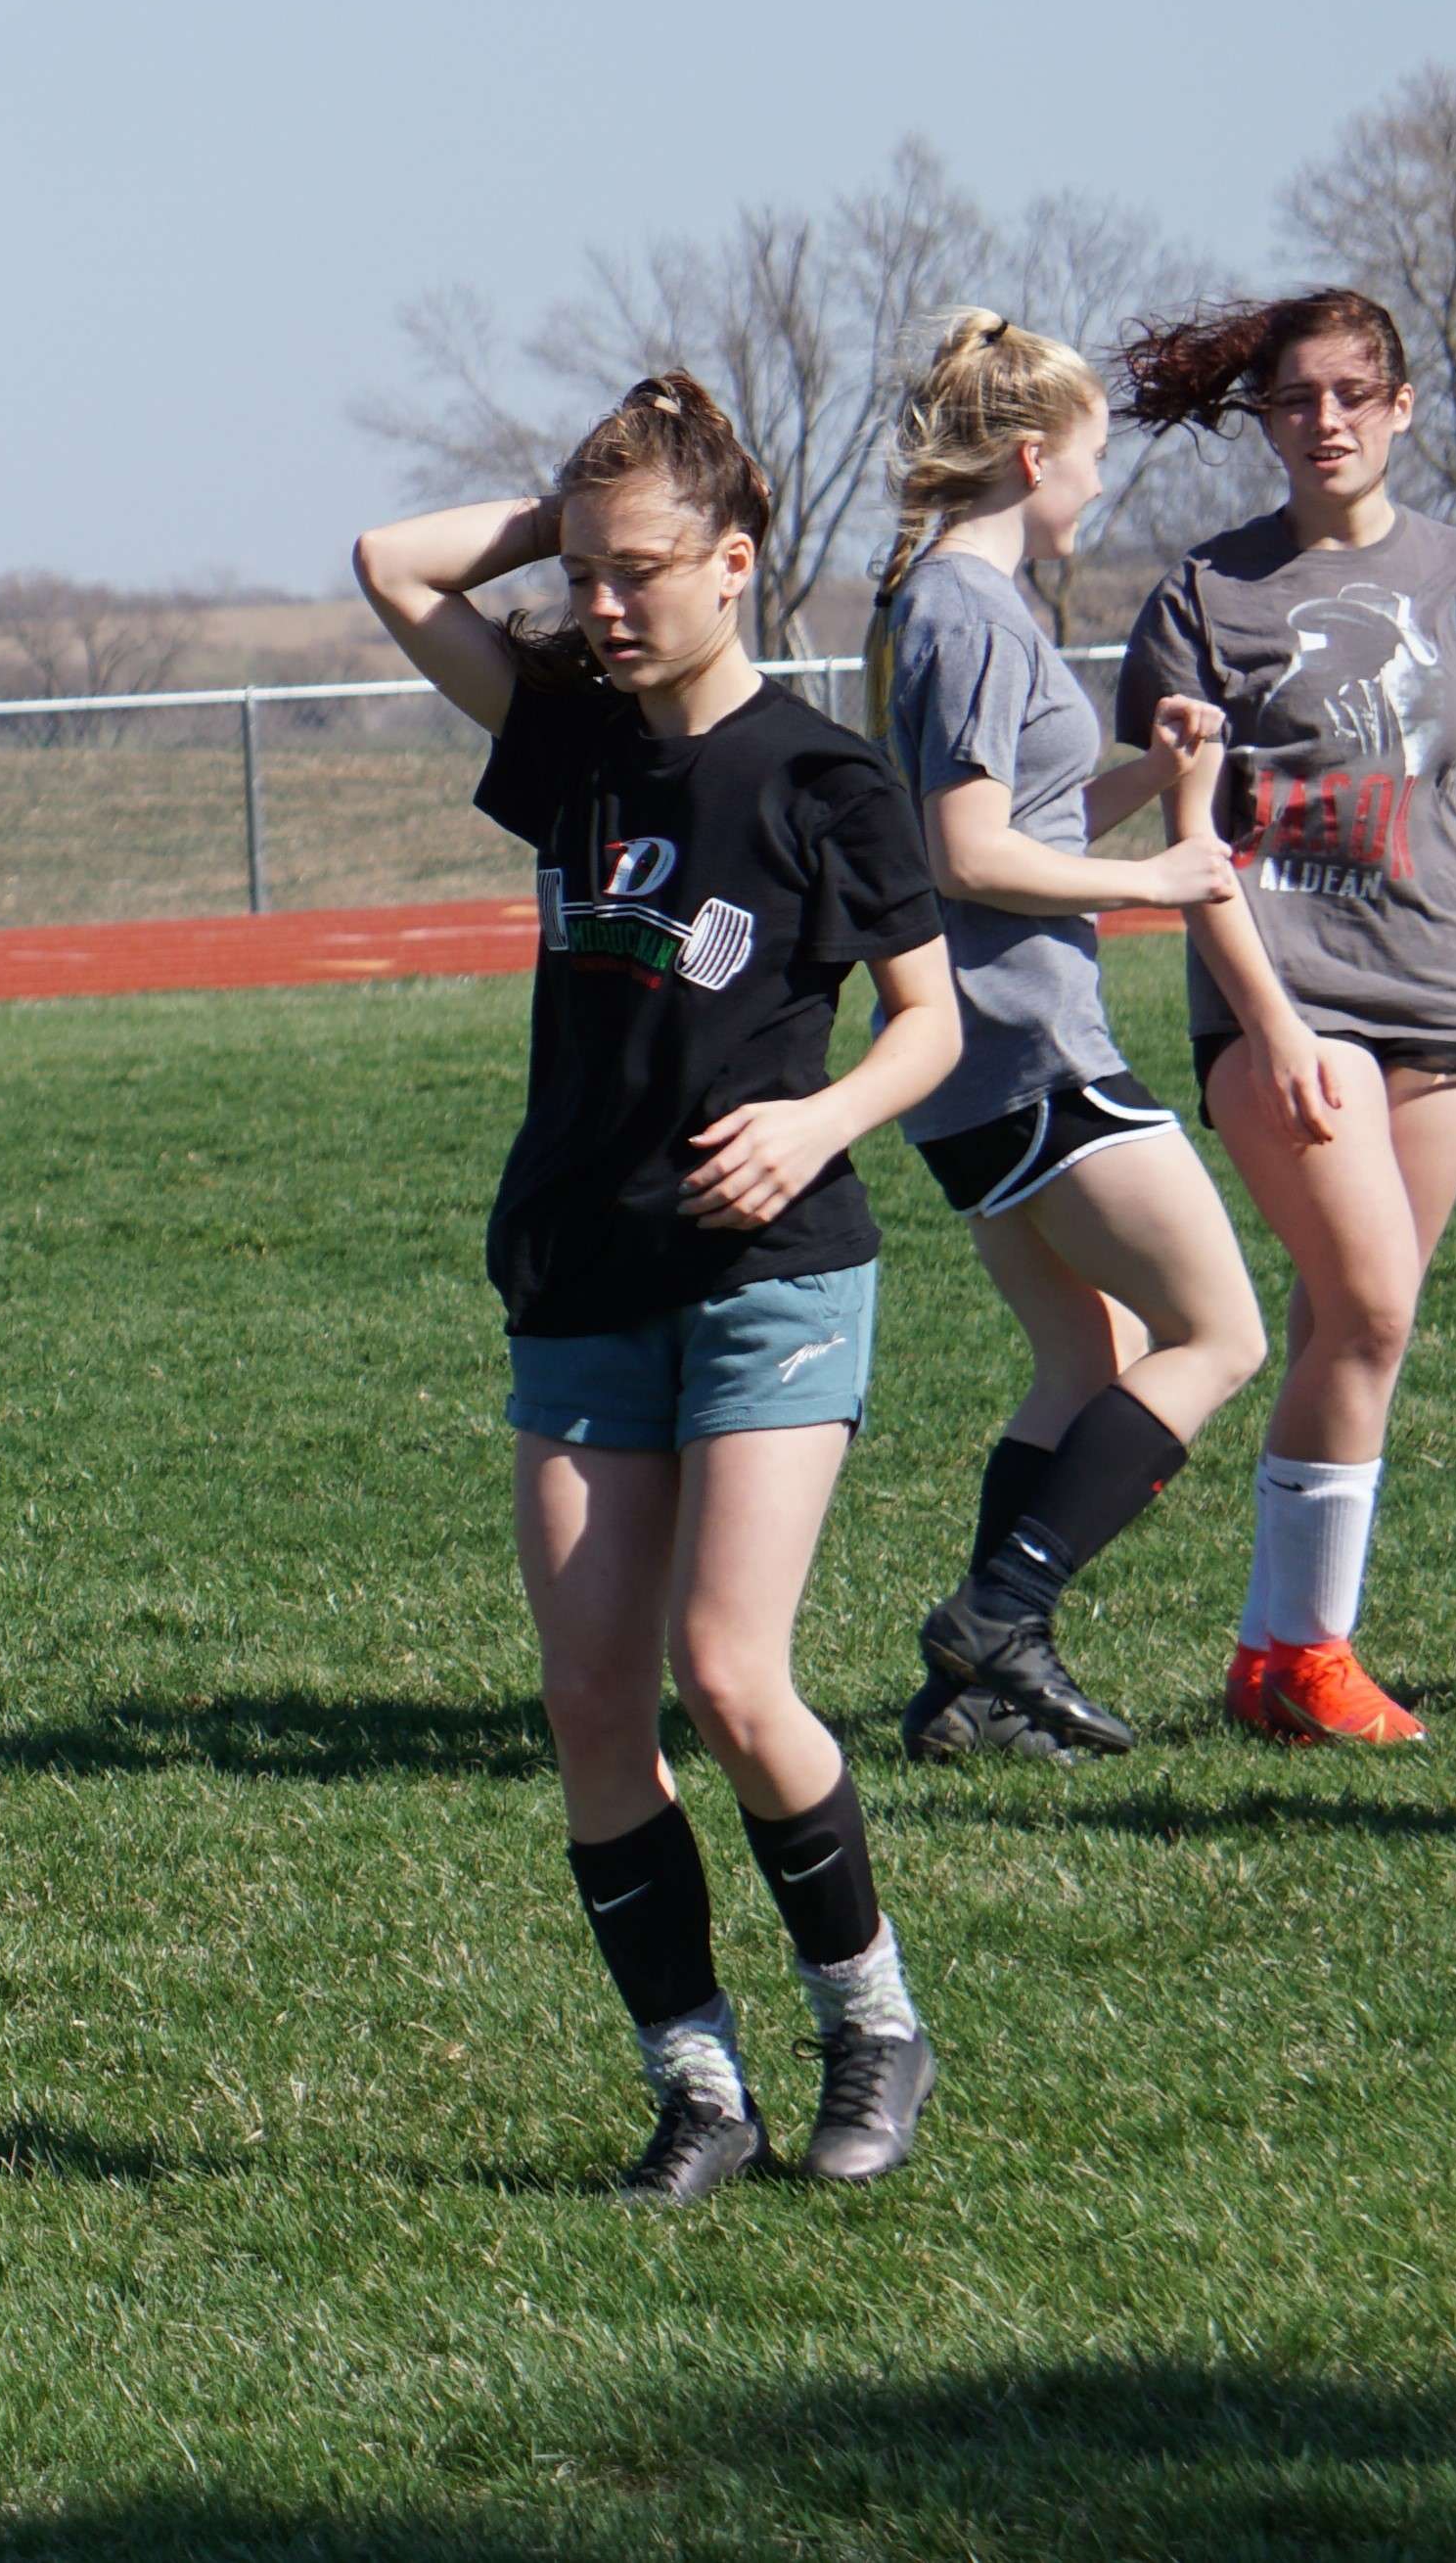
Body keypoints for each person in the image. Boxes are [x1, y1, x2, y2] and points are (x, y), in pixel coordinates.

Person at [354, 373, 964, 2202]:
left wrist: (814, 1122)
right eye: (587, 572)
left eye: (642, 574)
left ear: (735, 563)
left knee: (729, 1669)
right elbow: (390, 567)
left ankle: (869, 2024)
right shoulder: (571, 741)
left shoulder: (820, 780)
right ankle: (697, 2085)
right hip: (577, 1270)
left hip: (768, 1272)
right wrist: (565, 513)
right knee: (591, 1706)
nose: (604, 609)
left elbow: (931, 1027)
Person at [1115, 290, 1456, 1744]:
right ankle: (1302, 1653)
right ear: (1262, 421)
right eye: (1292, 398)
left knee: (1354, 1321)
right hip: (1282, 997)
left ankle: (1276, 1659)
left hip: (1440, 992)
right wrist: (1264, 1026)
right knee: (1372, 1305)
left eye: (1350, 393)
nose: (1322, 420)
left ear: (1399, 406)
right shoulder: (1204, 595)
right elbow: (1185, 835)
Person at [862, 310, 1271, 1763]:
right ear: (1031, 457)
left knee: (1081, 1360)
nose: (1095, 487)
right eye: (1090, 460)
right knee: (1218, 1333)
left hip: (971, 1070)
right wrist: (1155, 877)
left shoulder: (934, 599)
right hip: (1030, 1050)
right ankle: (999, 1614)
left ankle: (971, 1700)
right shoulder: (968, 611)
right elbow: (966, 852)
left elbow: (1006, 826)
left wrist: (1138, 784)